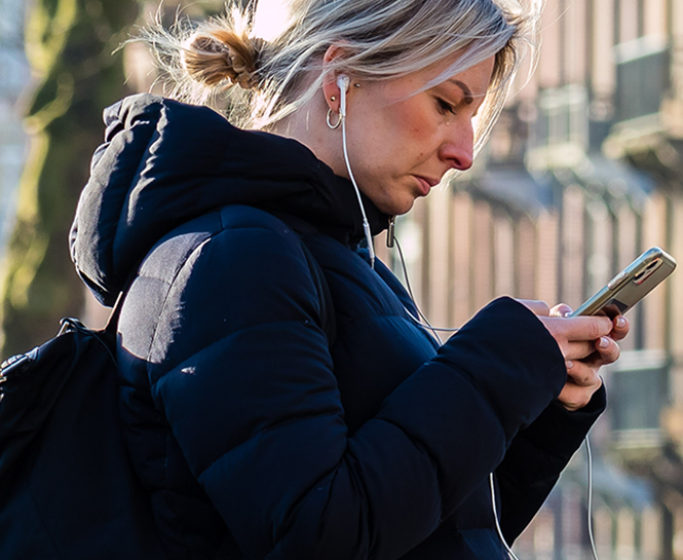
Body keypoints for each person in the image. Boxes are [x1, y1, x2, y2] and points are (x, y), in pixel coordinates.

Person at [69, 0, 620, 557]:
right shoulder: (233, 262)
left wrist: (542, 396)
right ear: (340, 79)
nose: (464, 153)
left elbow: (434, 522)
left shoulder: (340, 266)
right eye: (445, 105)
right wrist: (496, 365)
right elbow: (317, 535)